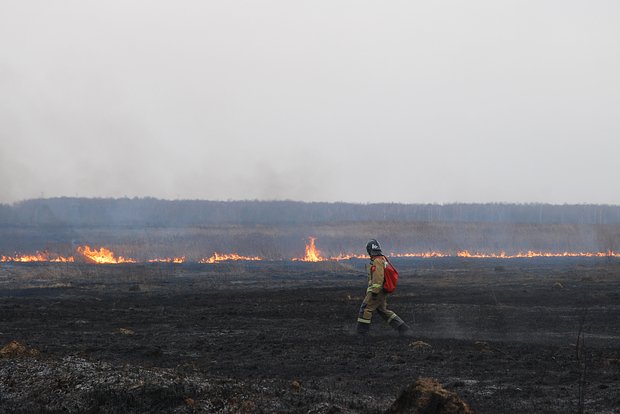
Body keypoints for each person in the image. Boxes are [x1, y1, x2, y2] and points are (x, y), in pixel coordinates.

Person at [356, 239, 411, 336]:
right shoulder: (382, 259)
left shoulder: (377, 261)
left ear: (370, 251)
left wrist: (374, 292)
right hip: (382, 291)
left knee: (365, 308)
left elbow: (378, 277)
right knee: (383, 310)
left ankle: (362, 333)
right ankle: (402, 328)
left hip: (377, 292)